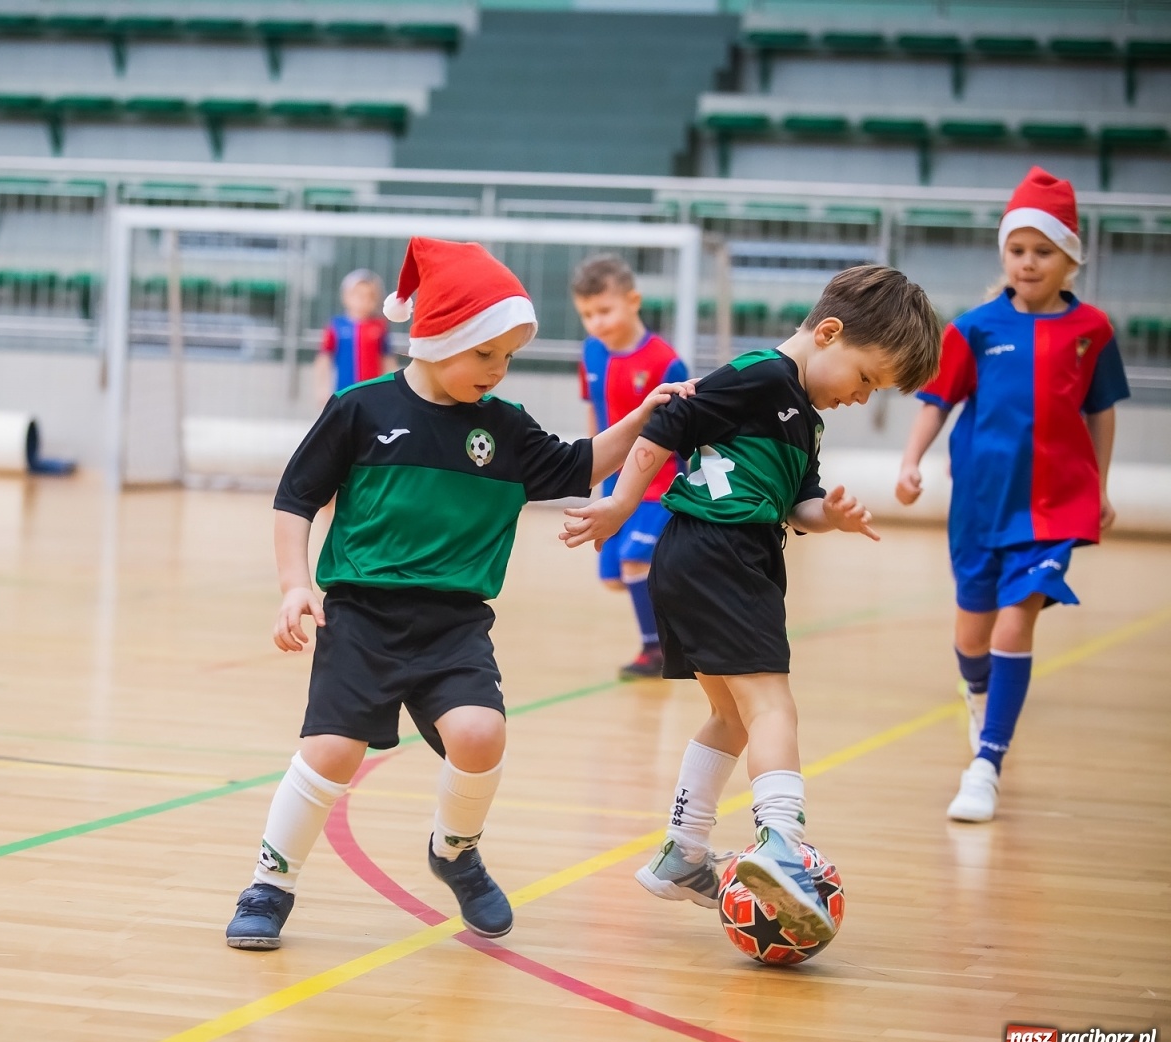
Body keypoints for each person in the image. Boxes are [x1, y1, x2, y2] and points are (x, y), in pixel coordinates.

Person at [225, 237, 694, 950]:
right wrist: (295, 586)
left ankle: (455, 851)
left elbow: (579, 465)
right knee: (332, 753)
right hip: (361, 616)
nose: (498, 369)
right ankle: (269, 884)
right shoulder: (359, 409)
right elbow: (295, 498)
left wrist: (642, 418)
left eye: (507, 356)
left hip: (454, 623)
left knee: (480, 733)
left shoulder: (503, 426)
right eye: (485, 353)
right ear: (440, 336)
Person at [562, 265, 939, 945]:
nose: (861, 396)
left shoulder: (806, 418)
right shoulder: (761, 375)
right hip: (721, 553)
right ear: (829, 333)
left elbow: (800, 503)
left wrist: (831, 516)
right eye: (865, 378)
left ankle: (684, 853)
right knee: (772, 707)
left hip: (707, 557)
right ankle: (783, 842)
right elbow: (667, 423)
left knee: (732, 714)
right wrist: (619, 503)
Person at [894, 167, 1130, 823]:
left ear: (1070, 258)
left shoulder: (1093, 330)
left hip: (1054, 508)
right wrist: (910, 462)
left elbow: (1101, 411)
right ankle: (978, 695)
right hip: (980, 505)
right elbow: (936, 401)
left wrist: (1101, 484)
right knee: (972, 638)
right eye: (1017, 249)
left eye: (1043, 251)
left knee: (1014, 620)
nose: (1028, 262)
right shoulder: (972, 329)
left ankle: (986, 765)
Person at [572, 253, 689, 680]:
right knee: (614, 577)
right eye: (587, 314)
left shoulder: (665, 362)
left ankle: (657, 650)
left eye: (604, 310)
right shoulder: (591, 353)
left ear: (633, 301)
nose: (596, 322)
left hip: (658, 483)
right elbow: (594, 409)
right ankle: (679, 599)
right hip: (613, 483)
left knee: (635, 561)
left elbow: (685, 427)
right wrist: (591, 465)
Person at [316, 269, 394, 406]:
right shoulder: (336, 325)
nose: (364, 300)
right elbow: (324, 358)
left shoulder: (380, 326)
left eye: (370, 296)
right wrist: (322, 388)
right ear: (346, 296)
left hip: (372, 392)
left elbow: (387, 359)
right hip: (343, 391)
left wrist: (391, 388)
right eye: (359, 295)